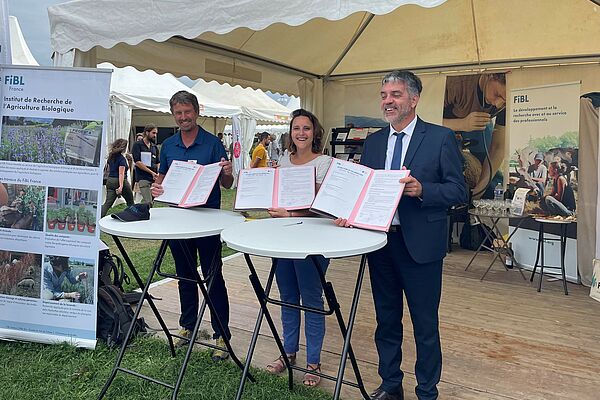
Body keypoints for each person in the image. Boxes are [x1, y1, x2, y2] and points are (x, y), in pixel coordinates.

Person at [336, 70, 467, 400]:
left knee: (425, 326)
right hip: (380, 243)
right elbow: (365, 190)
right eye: (383, 96)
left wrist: (423, 190)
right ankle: (391, 384)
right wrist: (349, 212)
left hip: (421, 248)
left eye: (394, 94)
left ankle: (426, 391)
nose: (387, 101)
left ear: (414, 98)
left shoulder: (440, 138)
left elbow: (459, 191)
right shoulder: (375, 141)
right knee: (386, 320)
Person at [151, 90, 234, 361]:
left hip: (207, 221)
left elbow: (227, 184)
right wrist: (157, 187)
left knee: (213, 277)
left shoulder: (212, 144)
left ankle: (222, 335)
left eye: (188, 112)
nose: (184, 117)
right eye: (178, 113)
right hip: (178, 220)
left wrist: (227, 173)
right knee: (184, 276)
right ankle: (188, 326)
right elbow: (163, 179)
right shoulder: (169, 145)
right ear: (173, 115)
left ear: (197, 112)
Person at [264, 109, 332, 387]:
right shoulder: (282, 160)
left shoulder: (326, 162)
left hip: (313, 241)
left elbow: (320, 205)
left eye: (306, 128)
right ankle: (288, 352)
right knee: (287, 297)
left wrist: (291, 214)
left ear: (315, 132)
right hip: (283, 240)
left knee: (312, 299)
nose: (301, 133)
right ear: (290, 133)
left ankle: (313, 362)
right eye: (296, 128)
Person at [443, 73, 506, 199]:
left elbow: (498, 147)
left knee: (492, 175)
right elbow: (423, 121)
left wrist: (481, 188)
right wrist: (462, 124)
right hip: (443, 126)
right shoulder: (457, 83)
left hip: (477, 125)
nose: (498, 104)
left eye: (505, 102)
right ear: (490, 75)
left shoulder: (506, 99)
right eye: (497, 95)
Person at [101, 139, 134, 217]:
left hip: (110, 180)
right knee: (130, 201)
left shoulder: (111, 157)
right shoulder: (122, 159)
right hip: (120, 181)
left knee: (107, 203)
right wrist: (121, 186)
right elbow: (121, 174)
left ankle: (99, 218)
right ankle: (132, 216)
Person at [131, 124, 160, 204]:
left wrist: (157, 173)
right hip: (143, 177)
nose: (155, 135)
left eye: (156, 133)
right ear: (147, 133)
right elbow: (137, 162)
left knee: (152, 202)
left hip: (154, 179)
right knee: (148, 202)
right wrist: (152, 172)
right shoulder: (137, 145)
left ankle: (142, 213)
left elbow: (158, 162)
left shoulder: (154, 147)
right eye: (153, 133)